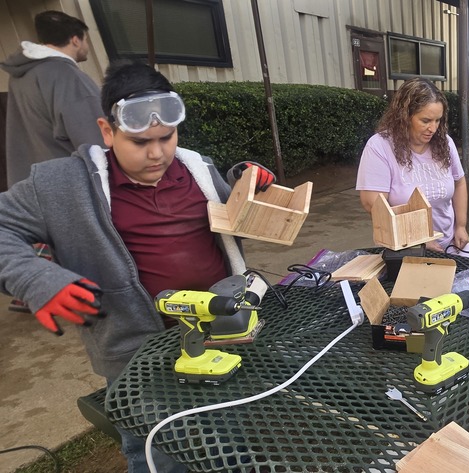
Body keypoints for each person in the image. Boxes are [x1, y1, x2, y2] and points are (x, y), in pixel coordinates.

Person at [0, 61, 271, 473]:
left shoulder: (197, 167)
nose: (158, 152)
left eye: (166, 137)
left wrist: (245, 183)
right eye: (140, 141)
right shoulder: (60, 185)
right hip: (137, 357)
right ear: (107, 131)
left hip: (218, 333)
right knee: (157, 453)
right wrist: (37, 278)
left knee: (224, 434)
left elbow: (232, 216)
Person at [356, 78, 469, 256]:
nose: (433, 128)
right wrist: (419, 238)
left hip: (448, 242)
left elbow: (460, 183)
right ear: (404, 117)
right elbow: (373, 204)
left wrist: (461, 226)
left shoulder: (444, 143)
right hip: (405, 247)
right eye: (425, 121)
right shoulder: (380, 147)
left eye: (438, 120)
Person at [1, 10, 103, 187]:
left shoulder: (21, 76)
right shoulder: (68, 76)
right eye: (85, 39)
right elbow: (95, 141)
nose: (86, 44)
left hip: (33, 186)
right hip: (71, 186)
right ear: (75, 40)